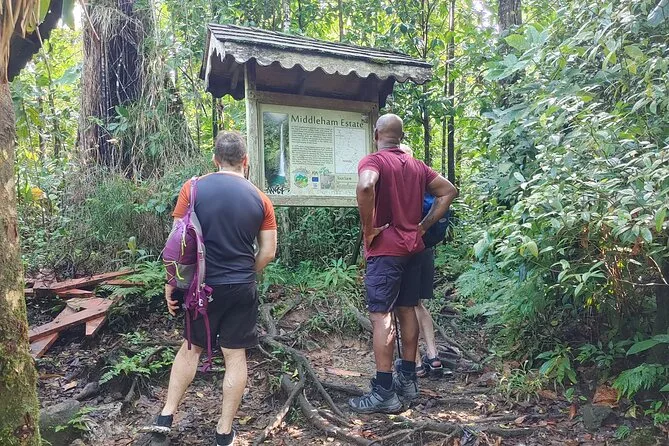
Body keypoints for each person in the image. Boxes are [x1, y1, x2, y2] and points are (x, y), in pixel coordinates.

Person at [147, 131, 277, 446]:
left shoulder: (192, 188)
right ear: (246, 160)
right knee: (235, 356)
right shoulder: (261, 199)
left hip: (201, 287)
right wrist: (245, 272)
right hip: (241, 286)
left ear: (215, 159)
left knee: (191, 348)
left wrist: (172, 282)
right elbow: (269, 252)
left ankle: (166, 416)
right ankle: (223, 431)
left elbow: (178, 243)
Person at [348, 114, 458, 414]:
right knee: (407, 309)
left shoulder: (374, 161)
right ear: (401, 136)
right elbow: (449, 191)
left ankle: (384, 391)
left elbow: (365, 186)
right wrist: (422, 227)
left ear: (376, 134)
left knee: (381, 316)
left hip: (386, 251)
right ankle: (408, 380)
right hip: (414, 249)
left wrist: (369, 229)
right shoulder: (417, 165)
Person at [399, 144, 450, 378]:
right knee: (417, 304)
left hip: (406, 251)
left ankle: (415, 363)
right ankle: (433, 356)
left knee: (404, 307)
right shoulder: (427, 180)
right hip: (426, 248)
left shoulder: (402, 183)